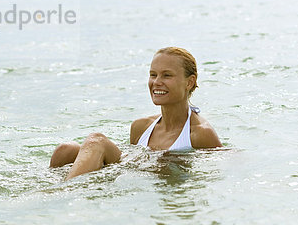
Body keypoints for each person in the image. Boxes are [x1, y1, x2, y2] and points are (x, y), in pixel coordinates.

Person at [49, 47, 222, 180]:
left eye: (166, 75)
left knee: (96, 141)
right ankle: (60, 193)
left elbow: (221, 165)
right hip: (128, 175)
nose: (156, 82)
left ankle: (62, 194)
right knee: (65, 150)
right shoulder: (141, 127)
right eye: (153, 75)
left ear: (189, 82)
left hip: (153, 185)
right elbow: (123, 167)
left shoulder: (199, 133)